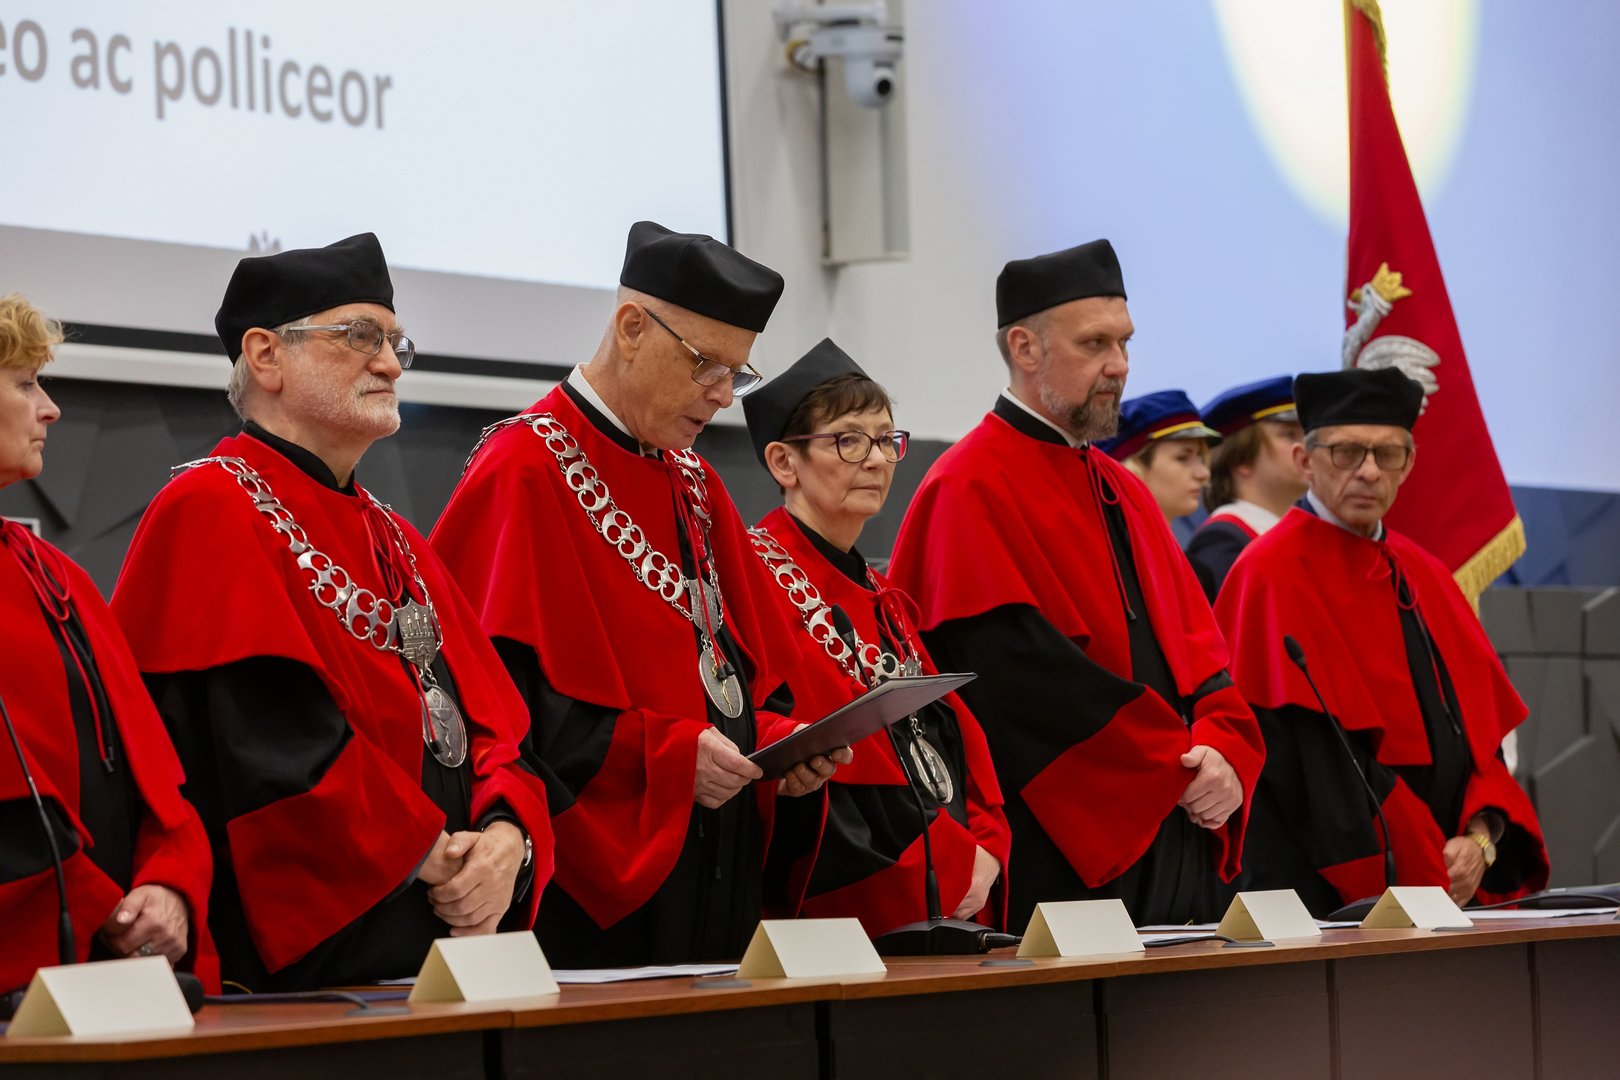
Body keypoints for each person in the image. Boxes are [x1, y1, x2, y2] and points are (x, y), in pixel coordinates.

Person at [111, 235, 552, 991]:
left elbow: (498, 731)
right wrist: (432, 853)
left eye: (395, 343)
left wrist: (507, 837)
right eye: (359, 336)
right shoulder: (210, 507)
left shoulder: (397, 538)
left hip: (451, 946)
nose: (390, 365)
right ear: (266, 356)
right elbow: (270, 748)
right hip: (315, 970)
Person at [433, 221, 848, 968]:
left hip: (716, 868)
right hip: (597, 892)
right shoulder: (523, 469)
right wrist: (667, 756)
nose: (721, 396)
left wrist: (783, 746)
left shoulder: (696, 483)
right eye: (706, 366)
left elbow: (750, 674)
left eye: (737, 375)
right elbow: (500, 714)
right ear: (632, 328)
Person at [888, 239, 1264, 930]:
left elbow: (1203, 654)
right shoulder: (967, 487)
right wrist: (1170, 764)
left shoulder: (1125, 487)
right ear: (1025, 348)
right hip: (1065, 846)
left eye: (1124, 343)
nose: (1119, 365)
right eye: (1095, 343)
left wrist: (1225, 749)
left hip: (1178, 825)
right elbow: (1016, 682)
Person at [1215, 367, 1548, 913]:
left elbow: (1480, 742)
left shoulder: (1427, 574)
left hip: (1449, 883)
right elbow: (1315, 768)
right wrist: (1425, 871)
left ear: (1409, 464)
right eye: (1347, 452)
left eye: (1388, 454)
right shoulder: (1267, 575)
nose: (1369, 471)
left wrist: (1481, 839)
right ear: (1305, 461)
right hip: (1327, 896)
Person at [740, 338, 1011, 936]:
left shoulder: (879, 593)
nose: (878, 459)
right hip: (853, 891)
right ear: (784, 463)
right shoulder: (752, 575)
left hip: (949, 874)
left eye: (887, 439)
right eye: (848, 440)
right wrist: (944, 865)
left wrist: (987, 845)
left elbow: (952, 734)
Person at [0, 294, 217, 993]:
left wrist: (171, 884)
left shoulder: (55, 574)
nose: (50, 409)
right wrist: (108, 911)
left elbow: (157, 780)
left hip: (119, 966)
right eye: (25, 384)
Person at [1187, 376, 1307, 594]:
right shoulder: (1224, 541)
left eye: (1306, 435)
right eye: (1289, 435)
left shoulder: (1293, 535)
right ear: (1242, 458)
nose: (1305, 448)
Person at [1097, 390, 1222, 598]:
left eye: (1200, 457)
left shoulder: (1197, 574)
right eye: (1183, 457)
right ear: (1132, 467)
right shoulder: (1110, 567)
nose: (1203, 473)